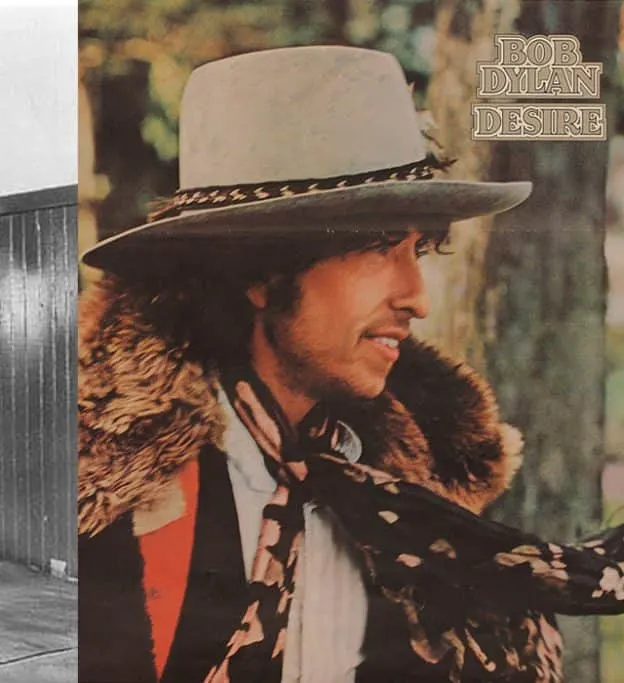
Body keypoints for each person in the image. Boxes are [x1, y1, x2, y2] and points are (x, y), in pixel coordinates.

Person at [78, 46, 624, 683]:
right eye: (377, 248)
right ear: (261, 272)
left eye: (418, 250)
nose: (416, 298)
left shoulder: (409, 496)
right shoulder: (105, 495)